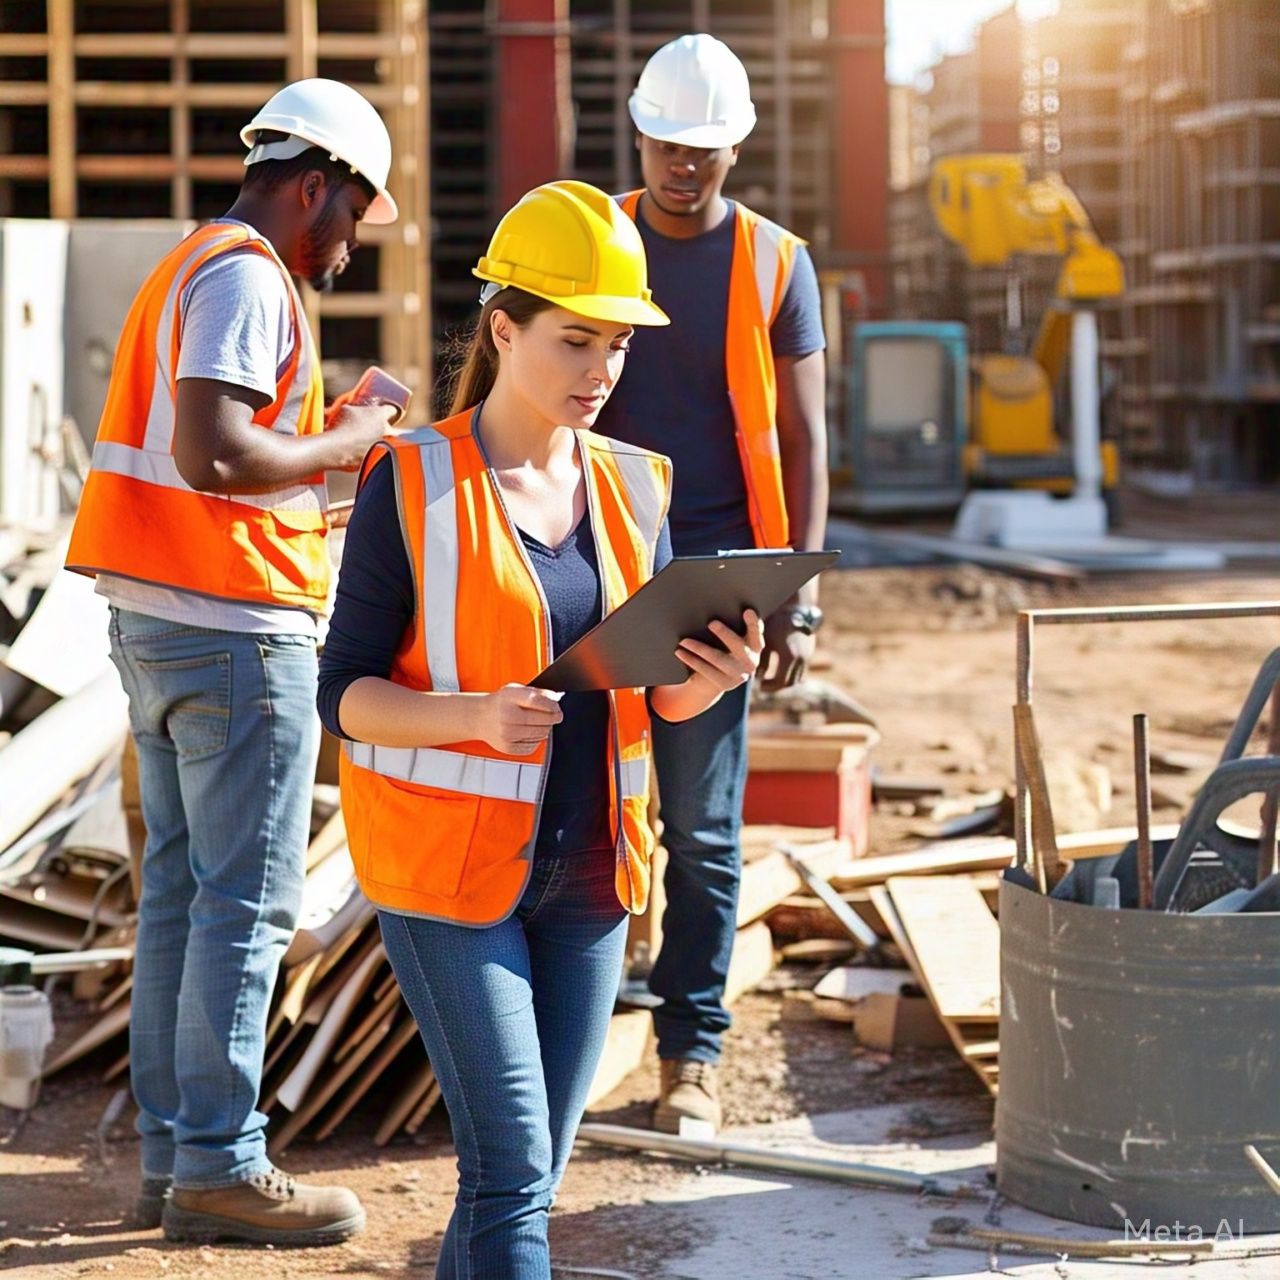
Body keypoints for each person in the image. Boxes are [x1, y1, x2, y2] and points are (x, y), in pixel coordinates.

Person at [317, 180, 764, 1279]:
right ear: (505, 329)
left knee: (518, 1179)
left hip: (591, 882)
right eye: (575, 340)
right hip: (446, 878)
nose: (599, 369)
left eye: (615, 344)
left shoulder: (633, 488)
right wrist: (473, 715)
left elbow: (657, 695)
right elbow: (345, 694)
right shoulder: (412, 479)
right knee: (515, 1169)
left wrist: (717, 676)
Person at [65, 78, 399, 1246]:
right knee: (244, 908)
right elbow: (217, 451)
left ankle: (174, 1159)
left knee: (182, 902)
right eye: (356, 215)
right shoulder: (252, 274)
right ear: (316, 185)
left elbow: (222, 465)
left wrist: (320, 479)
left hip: (161, 623)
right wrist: (353, 437)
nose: (351, 244)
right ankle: (218, 1158)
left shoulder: (189, 263)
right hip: (233, 635)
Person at [592, 32, 830, 1134]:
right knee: (569, 802)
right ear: (637, 133)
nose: (683, 167)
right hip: (586, 561)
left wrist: (798, 594)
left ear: (735, 147)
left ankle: (689, 1051)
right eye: (666, 145)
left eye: (704, 150)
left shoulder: (777, 261)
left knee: (700, 822)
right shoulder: (594, 240)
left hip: (715, 578)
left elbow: (804, 434)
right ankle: (570, 1028)